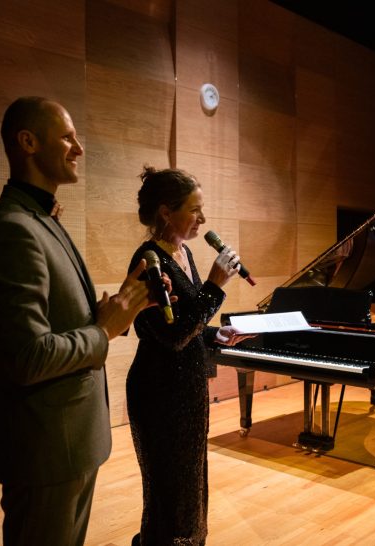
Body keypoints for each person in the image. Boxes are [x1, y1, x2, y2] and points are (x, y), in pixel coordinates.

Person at [0, 96, 154, 545]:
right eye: (68, 137)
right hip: (45, 448)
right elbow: (27, 356)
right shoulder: (13, 228)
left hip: (69, 442)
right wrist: (103, 330)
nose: (79, 148)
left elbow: (61, 321)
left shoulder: (42, 218)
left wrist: (121, 310)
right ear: (28, 142)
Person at [127, 166, 253, 545]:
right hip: (160, 393)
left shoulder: (183, 253)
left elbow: (190, 322)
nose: (203, 219)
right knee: (169, 493)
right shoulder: (148, 261)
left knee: (192, 486)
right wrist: (214, 285)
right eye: (195, 210)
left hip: (187, 389)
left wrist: (217, 334)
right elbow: (173, 334)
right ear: (166, 212)